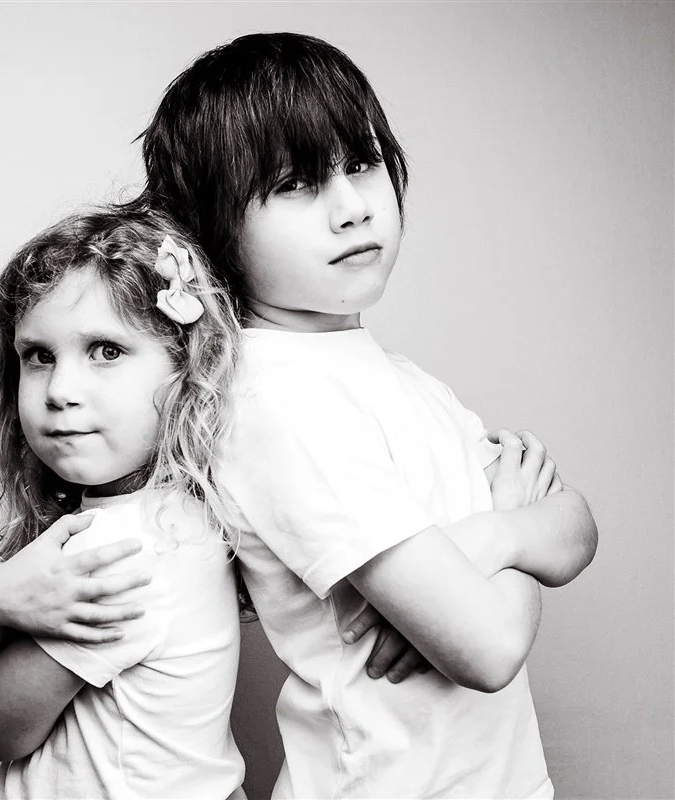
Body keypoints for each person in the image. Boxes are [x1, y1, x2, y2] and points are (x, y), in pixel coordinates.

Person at [134, 32, 599, 798]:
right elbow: (487, 648)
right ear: (214, 226)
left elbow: (575, 527)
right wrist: (511, 539)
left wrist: (484, 539)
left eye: (362, 164)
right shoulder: (276, 399)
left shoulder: (396, 378)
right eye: (294, 184)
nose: (351, 209)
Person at [0, 205, 246, 799]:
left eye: (106, 351)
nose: (60, 391)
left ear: (185, 372)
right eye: (39, 356)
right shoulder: (159, 519)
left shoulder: (116, 557)